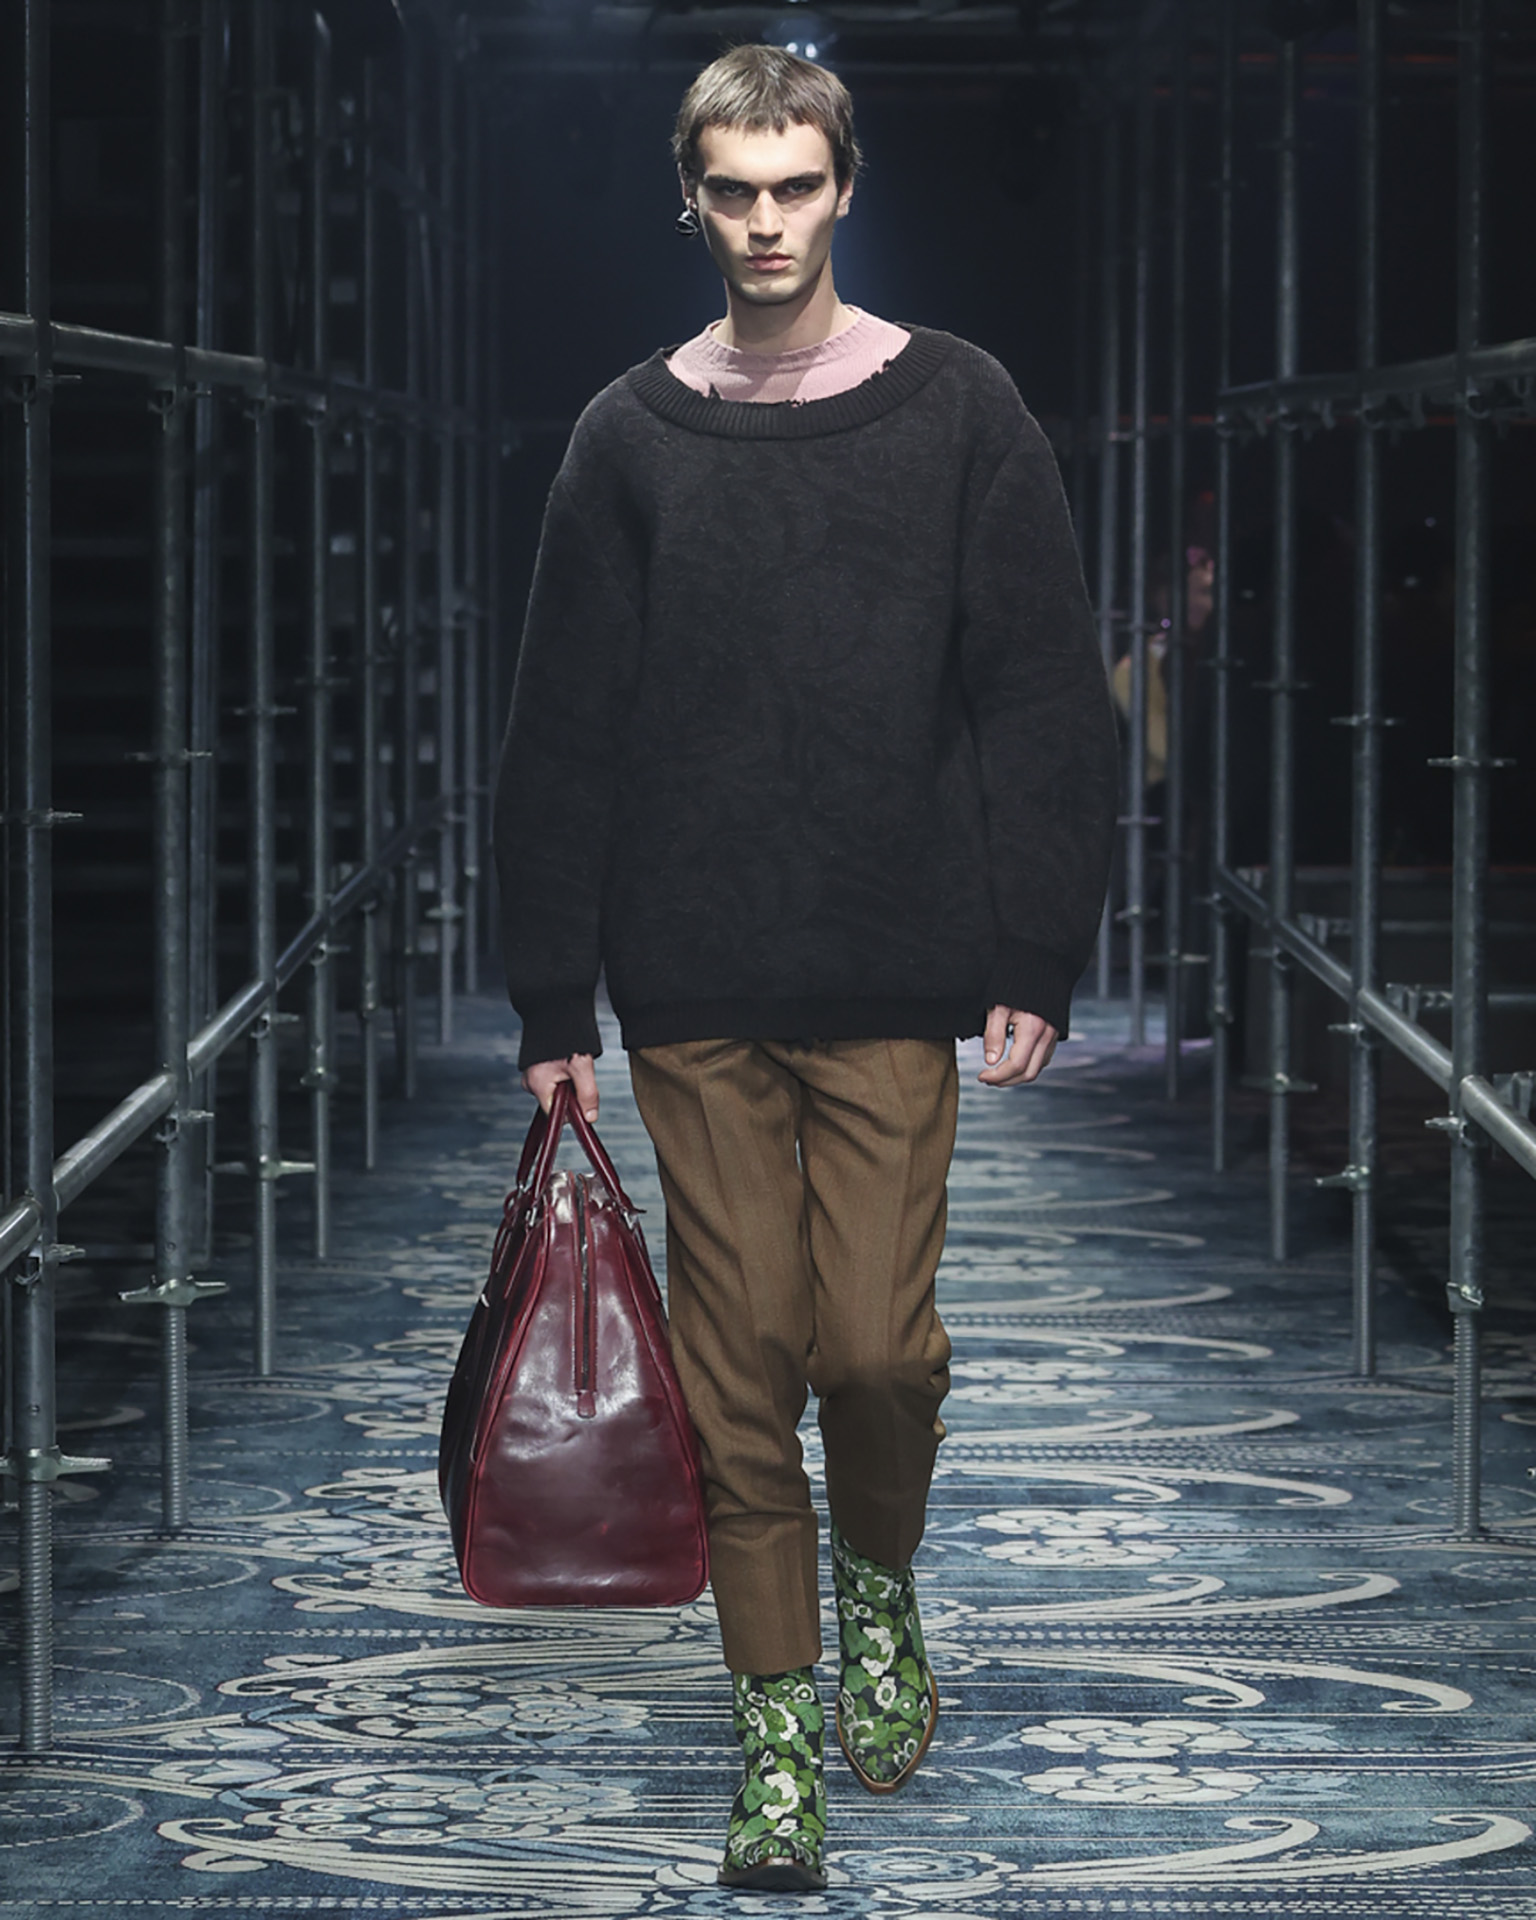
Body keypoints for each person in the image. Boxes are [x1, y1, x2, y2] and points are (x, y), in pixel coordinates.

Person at [493, 45, 1118, 1893]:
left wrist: (1037, 946)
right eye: (732, 191)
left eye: (794, 186)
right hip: (690, 965)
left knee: (877, 1353)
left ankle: (881, 1583)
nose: (764, 222)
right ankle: (778, 1728)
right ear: (688, 202)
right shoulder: (628, 435)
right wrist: (551, 997)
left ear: (845, 186)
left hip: (894, 956)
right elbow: (561, 728)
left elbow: (1038, 689)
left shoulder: (961, 409)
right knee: (742, 1358)